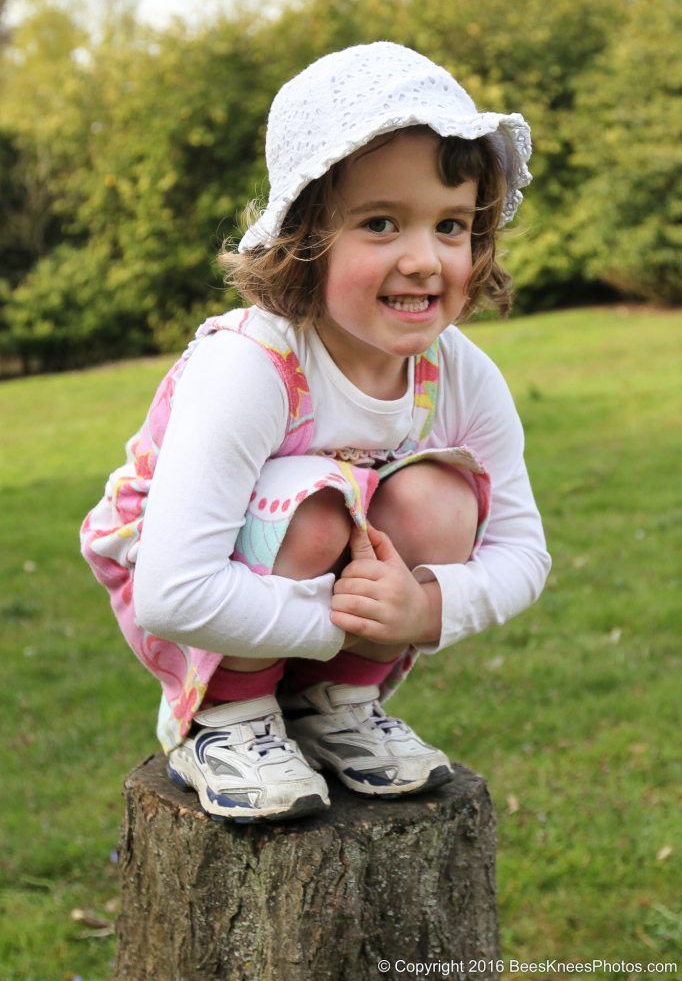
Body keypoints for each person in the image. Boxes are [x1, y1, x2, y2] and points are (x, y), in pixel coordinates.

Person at [81, 41, 551, 824]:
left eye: (450, 225)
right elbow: (173, 590)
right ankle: (224, 720)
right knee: (319, 504)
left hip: (322, 600)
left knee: (441, 498)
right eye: (380, 223)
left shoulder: (459, 373)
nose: (425, 259)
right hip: (179, 570)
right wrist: (341, 619)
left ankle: (335, 707)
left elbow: (523, 551)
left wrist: (422, 612)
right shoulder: (255, 365)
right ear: (305, 236)